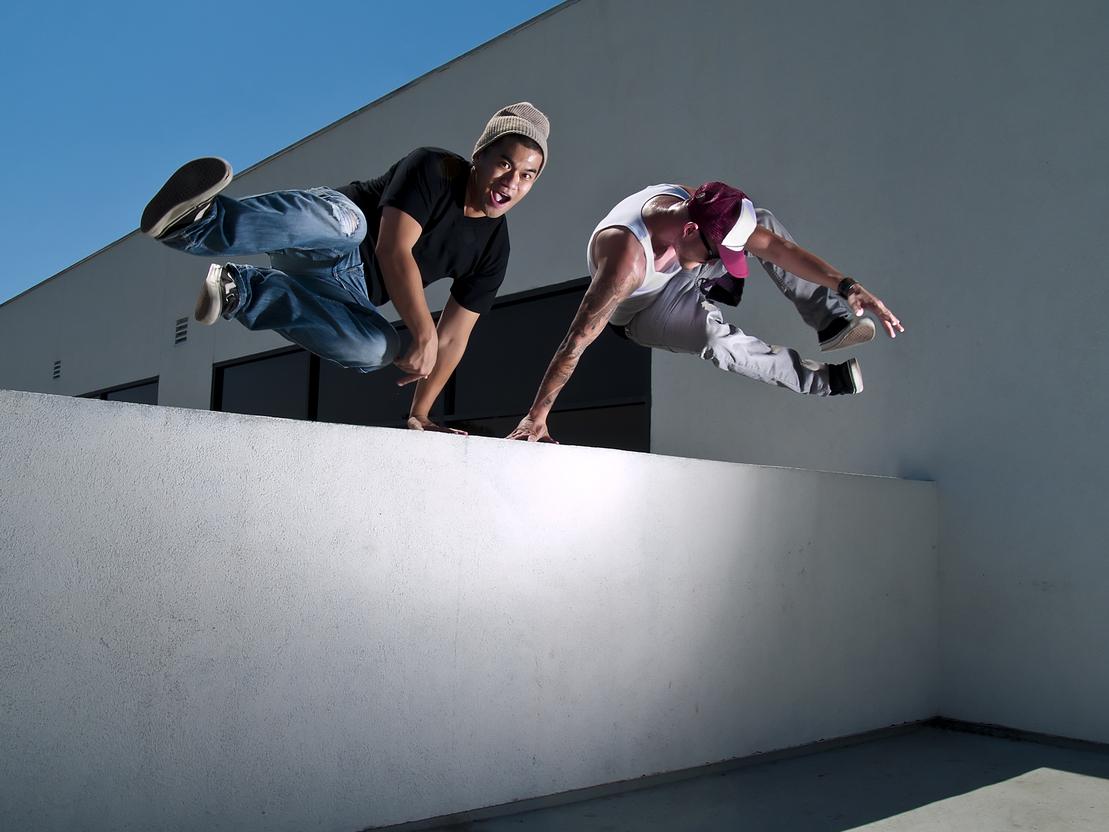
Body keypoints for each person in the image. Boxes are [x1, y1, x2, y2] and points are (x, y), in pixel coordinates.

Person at [140, 102, 550, 433]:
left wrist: (421, 413)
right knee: (350, 225)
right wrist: (424, 330)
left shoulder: (495, 249)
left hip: (348, 294)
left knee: (379, 349)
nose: (512, 183)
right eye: (505, 164)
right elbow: (393, 249)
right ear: (480, 156)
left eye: (528, 175)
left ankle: (242, 291)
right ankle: (197, 224)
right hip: (324, 241)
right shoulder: (434, 167)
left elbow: (454, 339)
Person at [507, 181, 904, 443]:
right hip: (645, 311)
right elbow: (576, 340)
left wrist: (848, 287)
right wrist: (536, 415)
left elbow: (781, 251)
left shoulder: (701, 209)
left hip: (681, 266)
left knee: (759, 222)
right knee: (713, 338)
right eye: (717, 256)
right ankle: (824, 381)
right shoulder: (625, 261)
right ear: (689, 231)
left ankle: (830, 321)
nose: (726, 263)